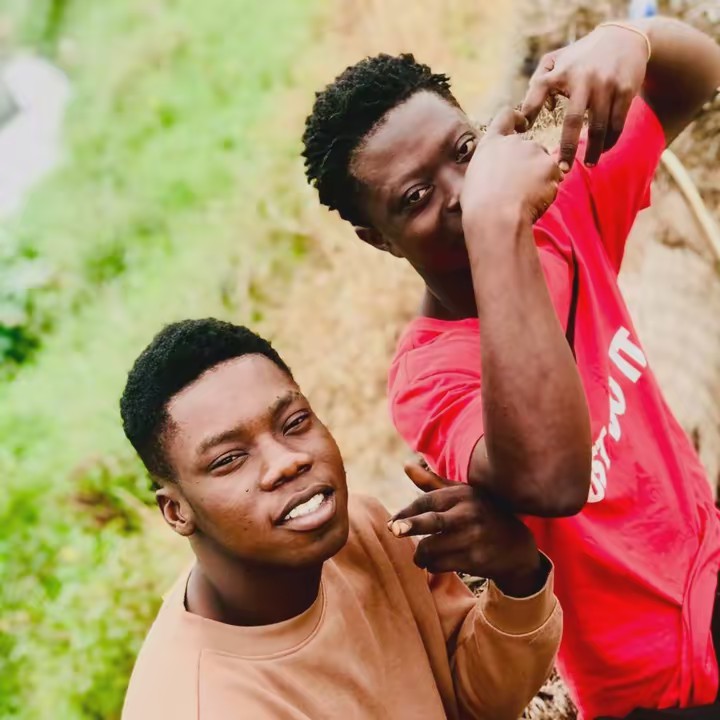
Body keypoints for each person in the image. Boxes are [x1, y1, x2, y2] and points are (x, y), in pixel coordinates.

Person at [301, 15, 720, 720]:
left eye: (465, 151)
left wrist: (629, 39)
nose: (462, 192)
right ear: (379, 239)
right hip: (653, 685)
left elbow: (697, 76)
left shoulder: (564, 213)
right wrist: (495, 224)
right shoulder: (430, 377)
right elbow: (550, 479)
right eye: (416, 198)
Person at [118, 318, 561, 720]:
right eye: (230, 459)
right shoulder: (205, 706)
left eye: (294, 422)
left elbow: (471, 702)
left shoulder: (367, 531)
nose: (287, 461)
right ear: (176, 511)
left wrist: (518, 576)